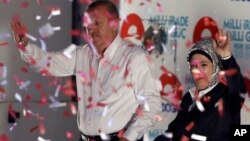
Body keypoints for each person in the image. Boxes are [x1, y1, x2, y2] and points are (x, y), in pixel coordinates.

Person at [11, 0, 162, 141]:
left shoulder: (135, 57)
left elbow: (152, 105)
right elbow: (49, 63)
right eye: (88, 24)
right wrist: (26, 46)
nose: (91, 29)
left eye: (97, 23)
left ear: (114, 24)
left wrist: (129, 137)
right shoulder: (82, 54)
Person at [154, 29, 247, 141]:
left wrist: (226, 57)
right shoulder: (189, 98)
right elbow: (174, 134)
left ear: (216, 67)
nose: (197, 71)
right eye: (194, 66)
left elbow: (238, 88)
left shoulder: (226, 96)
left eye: (204, 65)